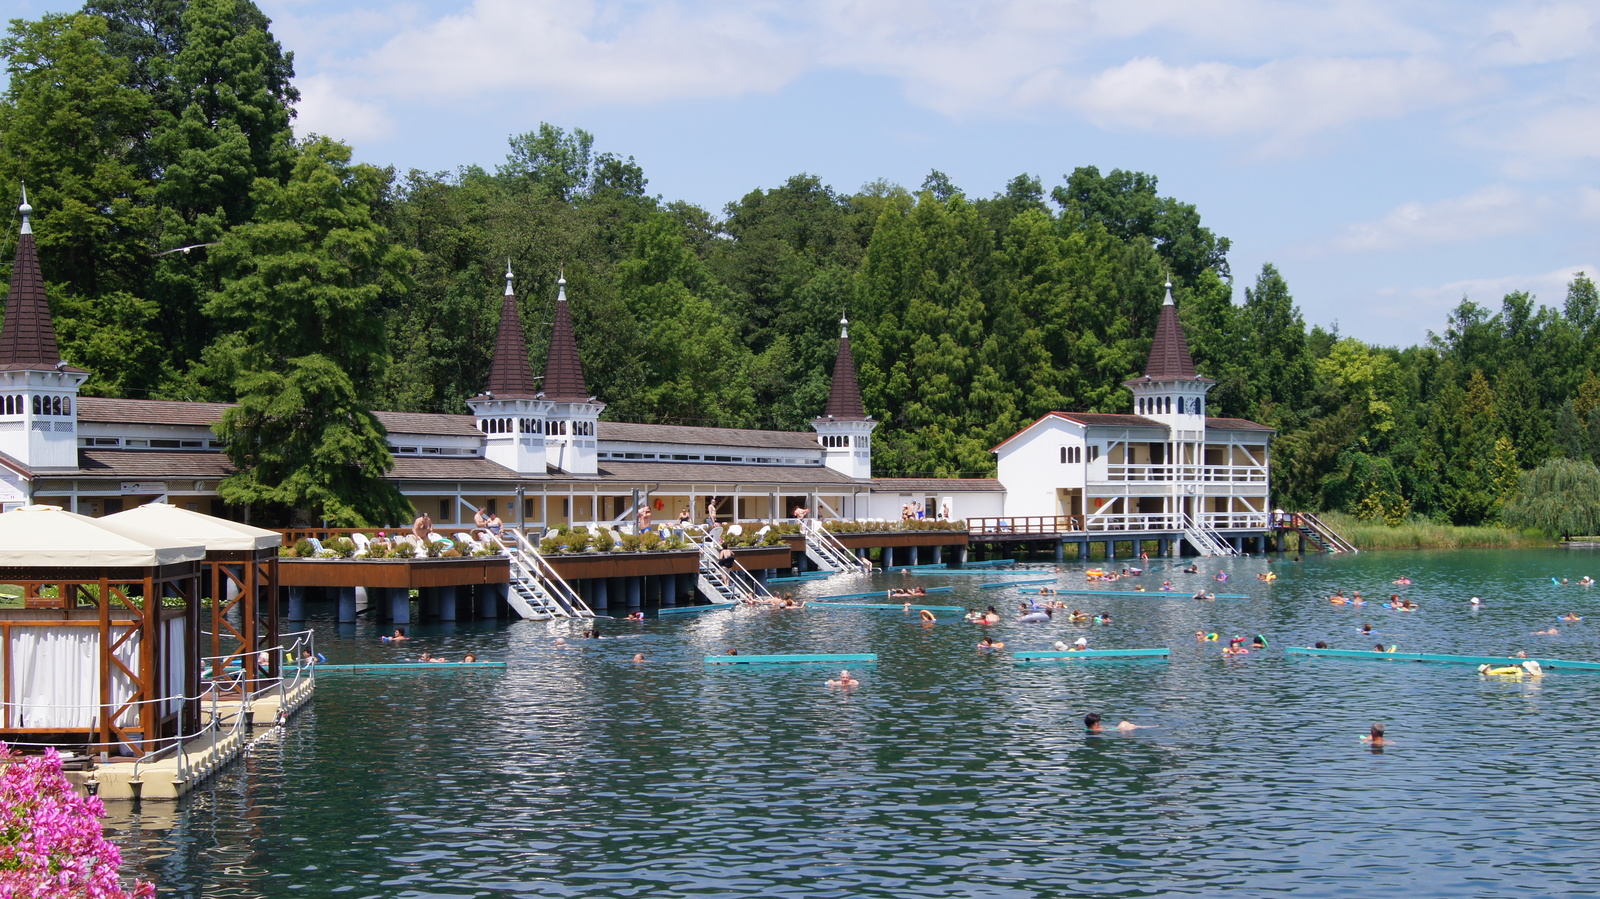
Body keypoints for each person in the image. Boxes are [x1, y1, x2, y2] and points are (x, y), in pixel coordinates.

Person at [1084, 713, 1152, 733]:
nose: (1099, 723)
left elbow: (1107, 727)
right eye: (1098, 722)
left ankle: (1145, 726)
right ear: (1094, 723)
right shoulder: (1097, 730)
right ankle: (1147, 727)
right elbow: (1109, 730)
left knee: (1124, 723)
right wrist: (1121, 729)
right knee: (1131, 726)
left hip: (1119, 729)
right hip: (1121, 731)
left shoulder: (1089, 728)